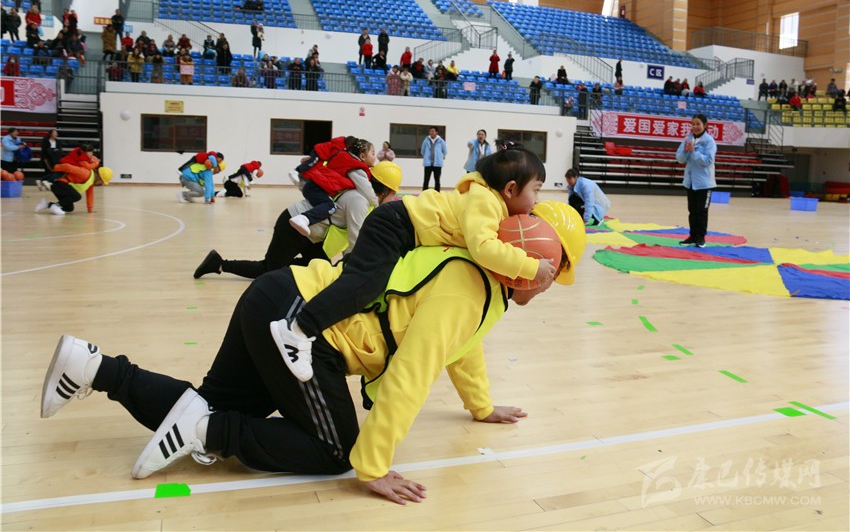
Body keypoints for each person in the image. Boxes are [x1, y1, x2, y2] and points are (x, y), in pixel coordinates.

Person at [40, 200, 584, 505]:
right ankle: (206, 432)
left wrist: (481, 406)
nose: (548, 281)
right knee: (335, 451)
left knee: (212, 401)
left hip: (279, 294)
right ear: (535, 259)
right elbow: (411, 374)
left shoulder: (480, 281)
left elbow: (462, 349)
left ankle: (93, 367)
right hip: (304, 327)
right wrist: (372, 466)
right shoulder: (469, 288)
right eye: (553, 270)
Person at [271, 147, 561, 383]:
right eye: (536, 190)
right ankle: (298, 329)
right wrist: (531, 267)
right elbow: (484, 247)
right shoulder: (486, 202)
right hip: (394, 226)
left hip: (401, 229)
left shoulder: (487, 200)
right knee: (364, 285)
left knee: (362, 277)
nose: (537, 200)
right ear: (510, 188)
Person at [195, 162, 402, 280]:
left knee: (319, 269)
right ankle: (219, 263)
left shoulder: (364, 199)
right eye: (394, 193)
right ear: (387, 190)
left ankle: (284, 271)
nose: (394, 197)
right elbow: (356, 240)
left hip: (311, 235)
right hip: (293, 227)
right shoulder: (359, 201)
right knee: (268, 270)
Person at [288, 140, 378, 236]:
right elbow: (366, 190)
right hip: (317, 187)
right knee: (330, 206)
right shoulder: (356, 169)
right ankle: (304, 219)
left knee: (327, 203)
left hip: (314, 184)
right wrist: (377, 204)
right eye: (373, 153)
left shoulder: (344, 159)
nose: (375, 157)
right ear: (362, 156)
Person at [675, 114, 716, 248]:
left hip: (704, 183)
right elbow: (679, 159)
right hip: (691, 182)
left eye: (698, 124)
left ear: (705, 125)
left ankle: (701, 238)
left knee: (701, 212)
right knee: (692, 210)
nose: (695, 127)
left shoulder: (709, 141)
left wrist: (693, 152)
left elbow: (708, 160)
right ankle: (692, 236)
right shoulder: (687, 139)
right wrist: (685, 151)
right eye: (693, 124)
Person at [34, 161, 112, 216]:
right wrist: (55, 168)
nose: (101, 183)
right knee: (77, 196)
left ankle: (47, 204)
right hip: (58, 185)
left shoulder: (91, 181)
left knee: (69, 208)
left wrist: (90, 209)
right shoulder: (85, 173)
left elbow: (90, 195)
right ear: (99, 177)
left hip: (63, 189)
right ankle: (56, 206)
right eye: (102, 181)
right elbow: (67, 167)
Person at [420, 126, 447, 191]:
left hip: (437, 164)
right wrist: (426, 157)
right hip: (428, 164)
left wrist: (440, 157)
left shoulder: (441, 141)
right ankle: (424, 193)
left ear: (436, 132)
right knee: (426, 180)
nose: (431, 132)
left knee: (437, 180)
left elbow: (445, 151)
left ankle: (437, 193)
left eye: (433, 131)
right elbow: (422, 151)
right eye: (430, 131)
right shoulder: (426, 140)